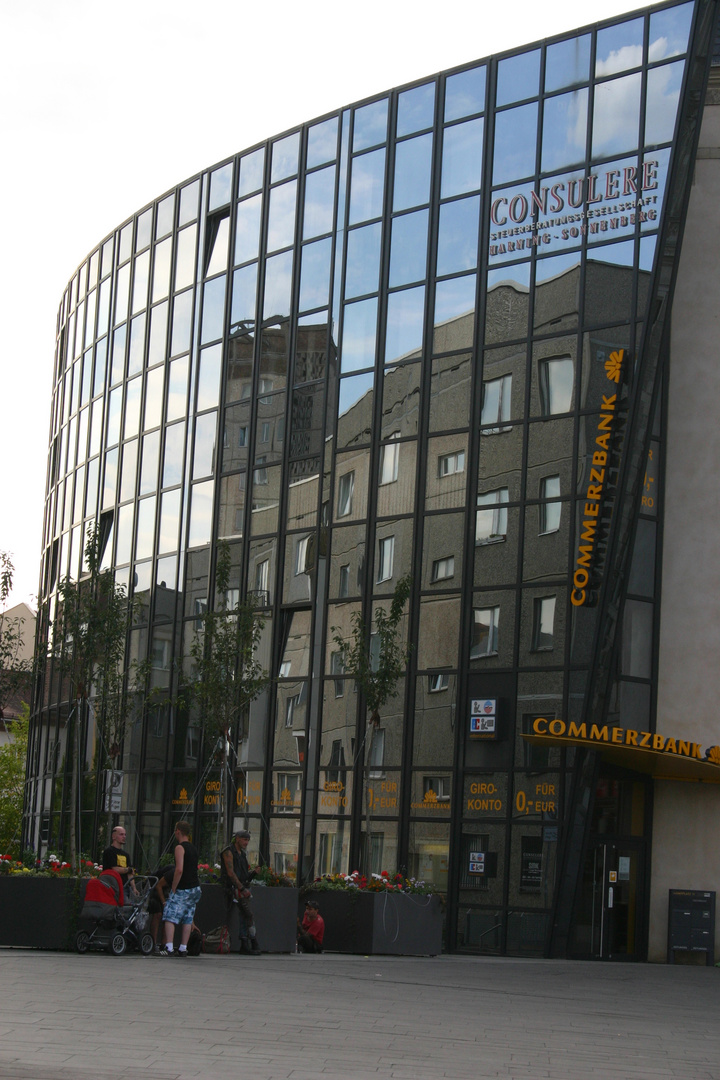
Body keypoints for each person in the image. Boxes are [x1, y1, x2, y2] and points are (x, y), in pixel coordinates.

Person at [161, 821, 202, 956]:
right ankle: (183, 948)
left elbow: (179, 869)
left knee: (169, 915)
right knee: (187, 917)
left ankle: (169, 947)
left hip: (183, 887)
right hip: (195, 888)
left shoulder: (180, 848)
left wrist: (173, 887)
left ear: (178, 831)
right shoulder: (193, 848)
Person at [220, 830, 260, 953]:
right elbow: (231, 873)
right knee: (247, 914)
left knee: (245, 914)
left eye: (247, 840)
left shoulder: (242, 854)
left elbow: (243, 875)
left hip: (242, 887)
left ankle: (246, 942)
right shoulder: (228, 852)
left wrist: (253, 873)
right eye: (244, 839)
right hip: (235, 888)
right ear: (237, 838)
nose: (246, 843)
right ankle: (249, 941)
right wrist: (241, 888)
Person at [101, 825, 137, 894]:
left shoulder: (126, 854)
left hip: (124, 886)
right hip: (112, 886)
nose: (124, 837)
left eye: (125, 835)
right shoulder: (109, 851)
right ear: (114, 836)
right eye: (121, 834)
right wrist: (128, 869)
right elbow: (115, 869)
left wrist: (134, 888)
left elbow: (130, 874)